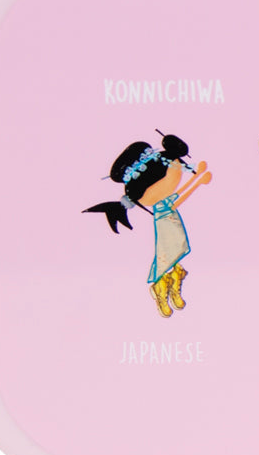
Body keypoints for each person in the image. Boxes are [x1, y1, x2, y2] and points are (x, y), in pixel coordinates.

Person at [83, 132, 212, 317]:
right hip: (168, 230)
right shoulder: (160, 205)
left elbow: (177, 194)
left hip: (172, 228)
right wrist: (198, 181)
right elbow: (178, 199)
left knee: (174, 259)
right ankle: (161, 288)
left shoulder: (163, 201)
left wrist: (197, 177)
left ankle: (172, 284)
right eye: (173, 171)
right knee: (168, 258)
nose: (177, 176)